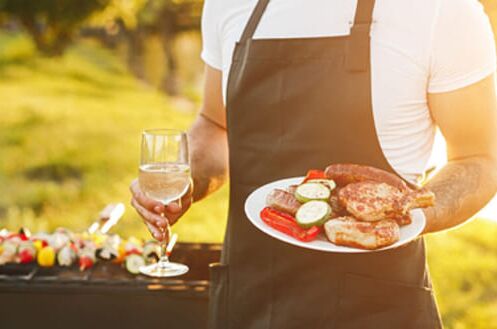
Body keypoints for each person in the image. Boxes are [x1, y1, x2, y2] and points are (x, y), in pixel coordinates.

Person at [130, 0, 497, 328]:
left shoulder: (442, 10)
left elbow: (479, 159)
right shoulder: (230, 4)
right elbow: (215, 126)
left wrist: (405, 213)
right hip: (248, 300)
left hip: (375, 309)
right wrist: (184, 179)